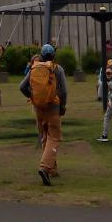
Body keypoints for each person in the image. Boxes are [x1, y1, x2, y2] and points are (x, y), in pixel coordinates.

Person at [20, 42, 68, 185]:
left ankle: (52, 169)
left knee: (45, 137)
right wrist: (63, 106)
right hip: (53, 106)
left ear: (41, 55)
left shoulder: (34, 68)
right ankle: (45, 168)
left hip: (39, 108)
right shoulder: (57, 69)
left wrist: (33, 97)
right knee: (55, 137)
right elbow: (64, 91)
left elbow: (22, 86)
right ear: (53, 55)